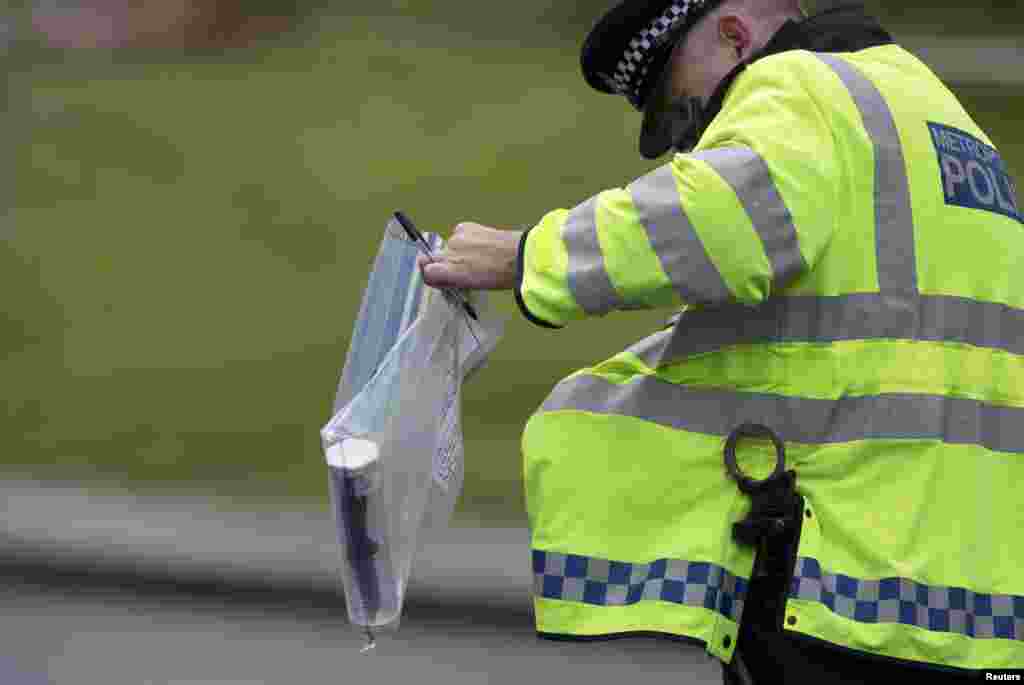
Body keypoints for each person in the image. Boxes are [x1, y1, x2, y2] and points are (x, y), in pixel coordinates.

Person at [417, 1, 1024, 681]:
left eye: (689, 108)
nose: (696, 142)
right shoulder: (934, 111)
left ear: (735, 36)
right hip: (979, 610)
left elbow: (720, 222)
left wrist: (528, 256)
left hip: (847, 587)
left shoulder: (799, 87)